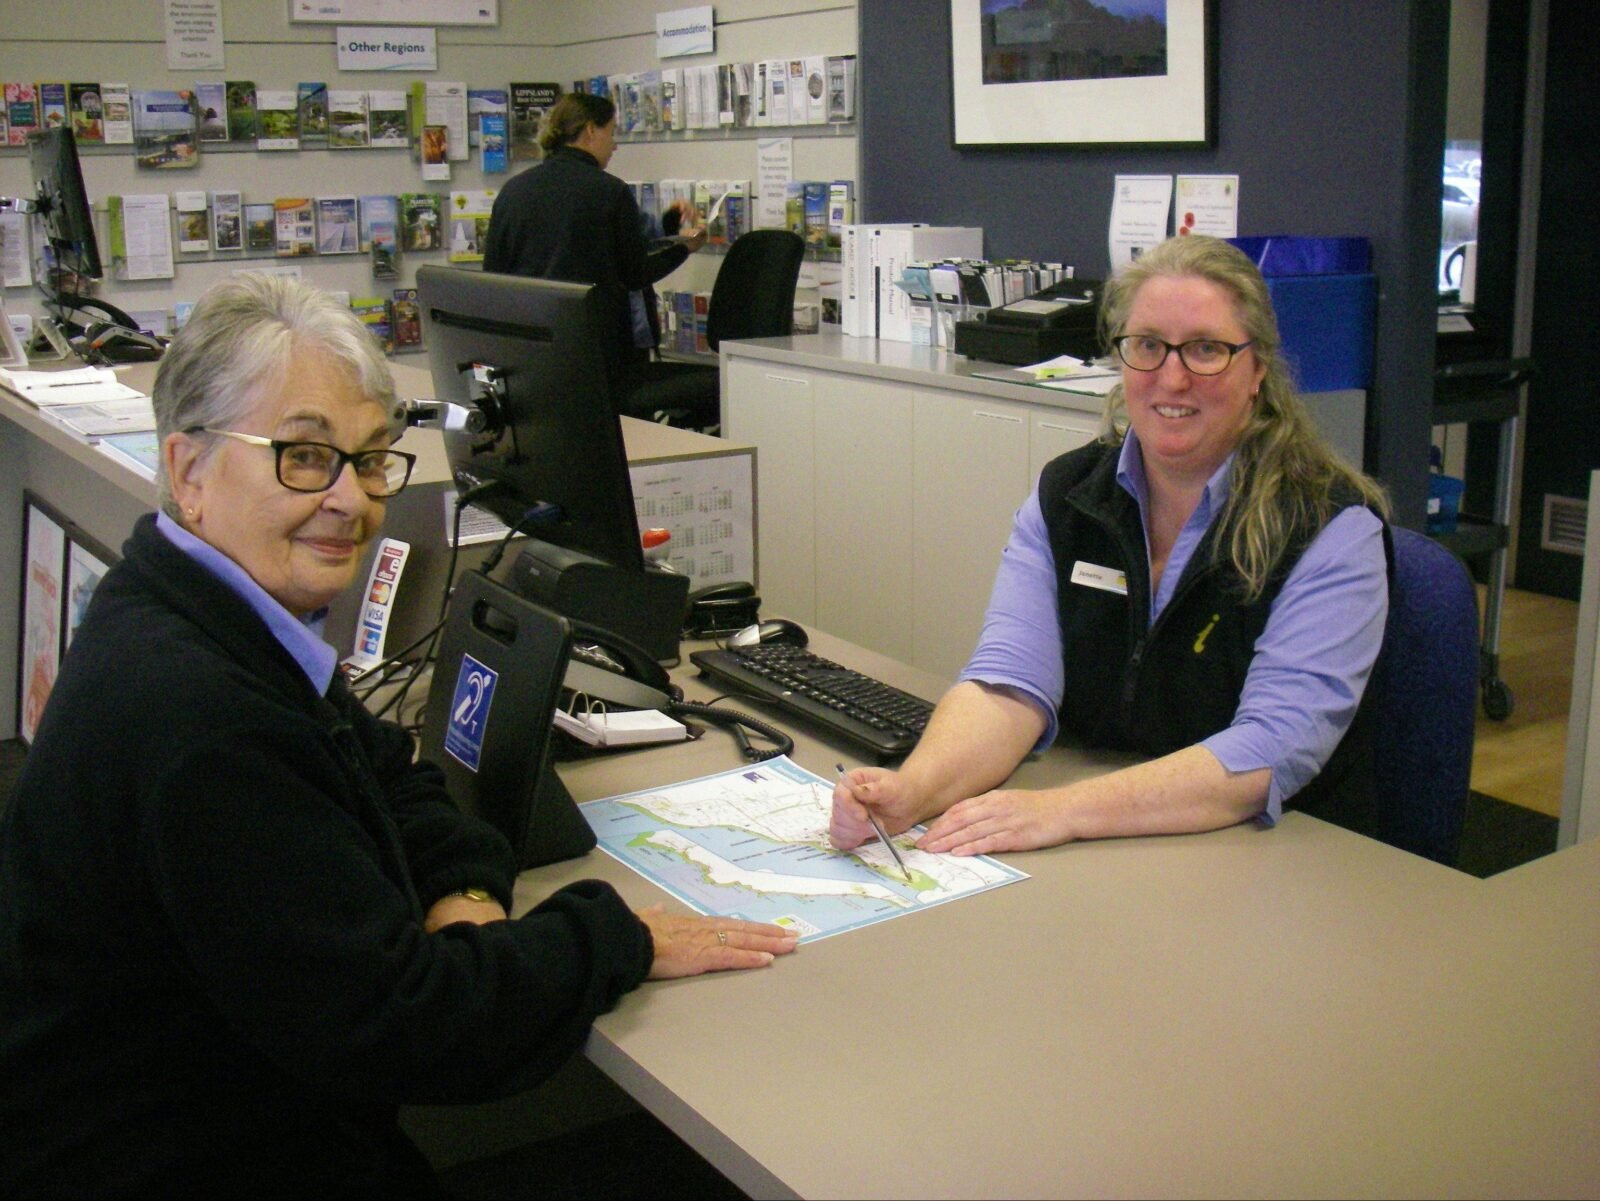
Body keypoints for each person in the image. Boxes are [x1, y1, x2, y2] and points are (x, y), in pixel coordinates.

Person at [0, 274, 796, 1196]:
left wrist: (460, 886)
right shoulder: (202, 718)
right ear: (188, 471)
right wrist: (615, 937)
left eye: (371, 458)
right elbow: (410, 1027)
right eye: (303, 455)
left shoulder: (199, 610)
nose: (352, 499)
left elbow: (392, 773)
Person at [832, 234, 1393, 858]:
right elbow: (1009, 686)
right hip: (1111, 839)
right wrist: (913, 792)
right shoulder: (1066, 496)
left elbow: (1267, 752)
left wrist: (1059, 810)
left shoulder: (1329, 529)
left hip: (1274, 858)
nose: (1172, 378)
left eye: (1206, 350)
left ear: (1257, 367)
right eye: (1148, 346)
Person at [482, 91, 707, 368]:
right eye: (611, 133)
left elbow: (493, 274)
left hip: (529, 347)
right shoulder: (609, 191)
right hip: (596, 348)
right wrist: (684, 249)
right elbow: (635, 273)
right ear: (590, 130)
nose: (614, 146)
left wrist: (669, 223)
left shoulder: (513, 191)